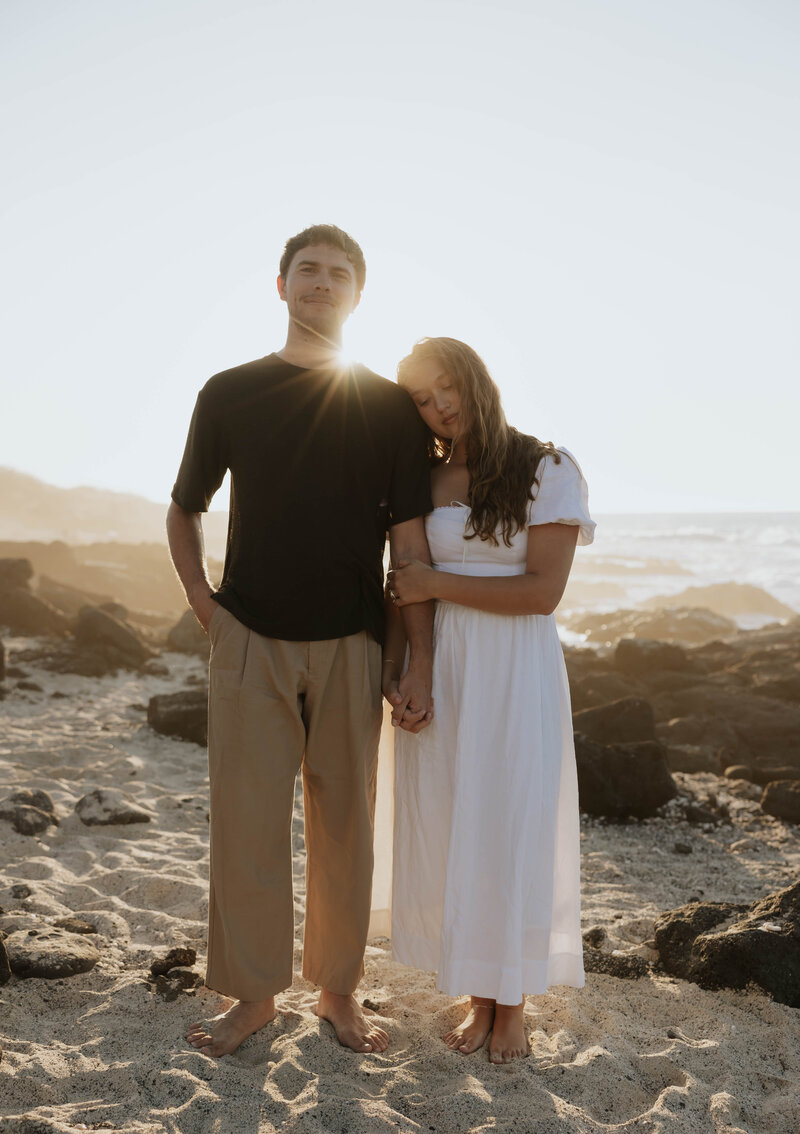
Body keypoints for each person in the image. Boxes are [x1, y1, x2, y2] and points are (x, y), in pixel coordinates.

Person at [166, 224, 434, 1058]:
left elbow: (411, 544)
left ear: (358, 295)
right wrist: (207, 607)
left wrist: (408, 655)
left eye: (338, 274)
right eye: (307, 271)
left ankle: (338, 993)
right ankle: (252, 999)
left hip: (353, 641)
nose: (321, 283)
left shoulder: (389, 407)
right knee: (245, 822)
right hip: (250, 635)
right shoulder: (229, 392)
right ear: (280, 286)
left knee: (345, 823)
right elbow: (185, 507)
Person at [382, 337, 594, 1064]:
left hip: (514, 671)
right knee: (455, 827)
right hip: (444, 668)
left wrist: (437, 586)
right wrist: (402, 669)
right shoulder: (427, 478)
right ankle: (479, 996)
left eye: (447, 387)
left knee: (509, 828)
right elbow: (400, 583)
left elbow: (542, 592)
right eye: (421, 398)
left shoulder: (547, 467)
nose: (439, 406)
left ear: (476, 380)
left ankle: (514, 1006)